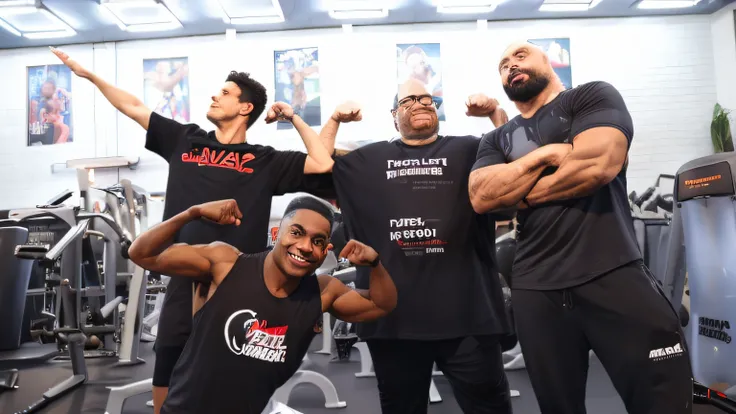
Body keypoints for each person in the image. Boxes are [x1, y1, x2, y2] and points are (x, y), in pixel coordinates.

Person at [50, 47, 336, 413]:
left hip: (236, 285)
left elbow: (322, 161)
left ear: (246, 108)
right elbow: (134, 106)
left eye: (226, 93)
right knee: (169, 367)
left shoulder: (264, 159)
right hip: (182, 273)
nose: (215, 96)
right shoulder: (186, 139)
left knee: (232, 377)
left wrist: (293, 116)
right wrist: (87, 75)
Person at [468, 41, 693, 414]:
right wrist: (549, 154)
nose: (511, 65)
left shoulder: (590, 97)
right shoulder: (496, 138)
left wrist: (519, 192)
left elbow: (597, 165)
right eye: (503, 64)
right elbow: (482, 197)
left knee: (662, 400)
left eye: (520, 55)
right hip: (536, 288)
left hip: (612, 271)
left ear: (549, 62)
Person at [317, 79, 514, 414]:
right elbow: (318, 166)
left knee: (489, 407)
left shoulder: (470, 150)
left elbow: (515, 160)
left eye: (428, 99)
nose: (422, 103)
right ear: (394, 116)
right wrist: (334, 119)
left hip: (469, 316)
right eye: (409, 100)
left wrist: (496, 111)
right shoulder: (369, 160)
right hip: (393, 320)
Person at [127, 197, 397, 414]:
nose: (305, 247)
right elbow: (141, 253)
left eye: (317, 241)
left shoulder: (323, 291)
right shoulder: (227, 263)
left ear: (325, 248)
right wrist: (192, 212)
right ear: (277, 233)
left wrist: (375, 264)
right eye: (297, 233)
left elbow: (380, 305)